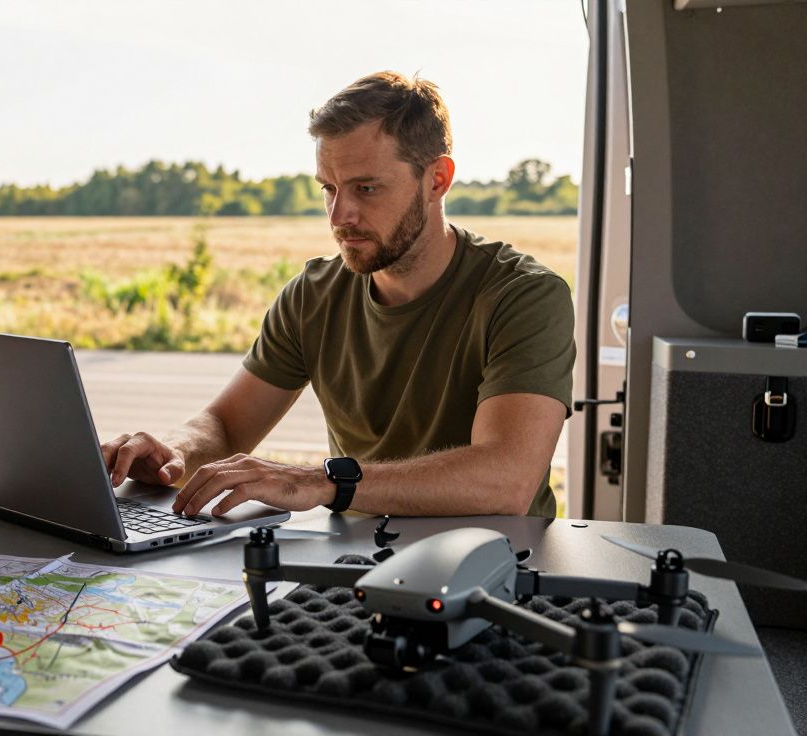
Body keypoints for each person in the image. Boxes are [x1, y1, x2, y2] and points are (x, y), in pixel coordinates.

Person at [100, 71, 574, 519]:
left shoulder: (524, 297)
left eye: (366, 188)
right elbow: (225, 427)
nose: (338, 215)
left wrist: (325, 481)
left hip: (493, 569)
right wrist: (171, 452)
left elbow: (506, 479)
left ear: (437, 179)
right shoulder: (312, 295)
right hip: (352, 564)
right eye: (329, 189)